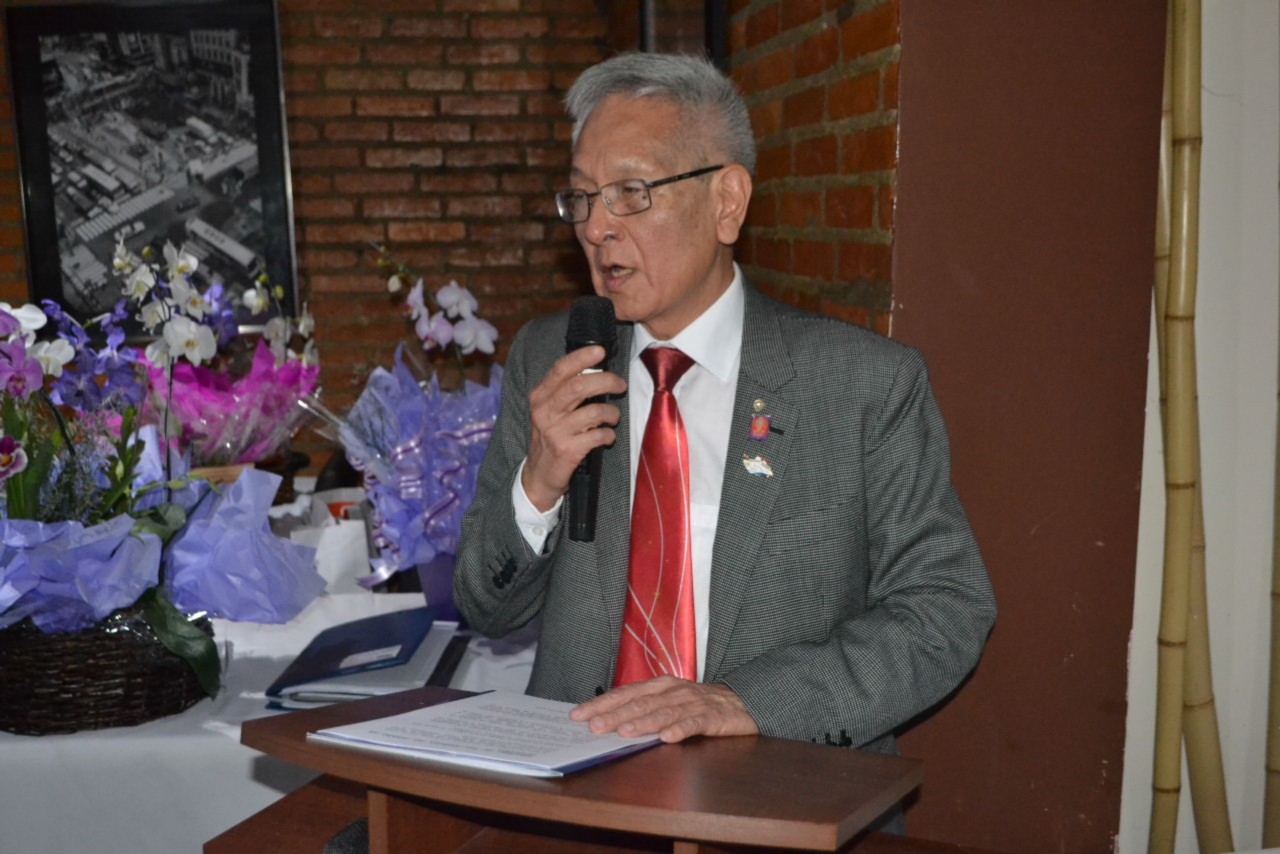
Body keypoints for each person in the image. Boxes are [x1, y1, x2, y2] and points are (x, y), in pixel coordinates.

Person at [455, 52, 995, 761]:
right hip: (580, 787)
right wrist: (538, 486)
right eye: (583, 197)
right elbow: (485, 606)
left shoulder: (863, 384)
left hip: (775, 785)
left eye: (631, 193)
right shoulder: (551, 358)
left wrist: (749, 702)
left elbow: (945, 607)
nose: (596, 227)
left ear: (727, 202)